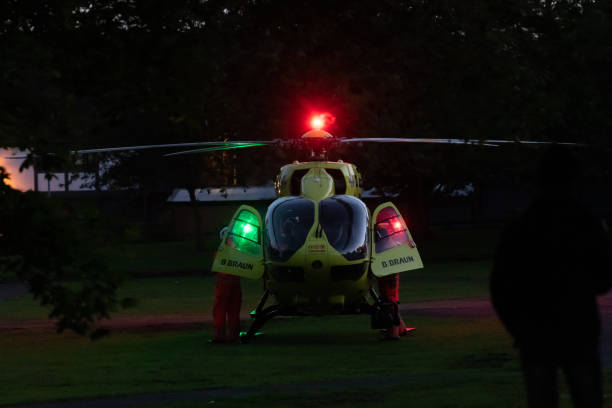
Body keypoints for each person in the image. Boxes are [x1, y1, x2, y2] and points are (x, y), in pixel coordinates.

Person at [490, 145, 612, 407]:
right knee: (587, 396)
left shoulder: (521, 227)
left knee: (542, 398)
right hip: (578, 331)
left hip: (536, 335)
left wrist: (519, 329)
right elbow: (604, 277)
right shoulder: (585, 223)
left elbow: (500, 287)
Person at [211, 226, 242, 343]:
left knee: (220, 311)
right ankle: (234, 335)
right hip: (235, 286)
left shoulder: (220, 252)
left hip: (223, 288)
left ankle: (220, 336)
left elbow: (215, 268)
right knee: (234, 311)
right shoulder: (238, 253)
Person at [377, 273, 413, 339]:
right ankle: (401, 329)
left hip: (388, 279)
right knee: (392, 304)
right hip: (389, 278)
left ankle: (393, 334)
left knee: (391, 306)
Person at [212, 272, 242, 343]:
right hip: (235, 279)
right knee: (234, 309)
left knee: (220, 309)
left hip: (224, 279)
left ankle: (220, 335)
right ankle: (233, 334)